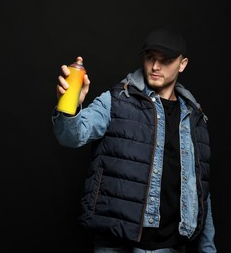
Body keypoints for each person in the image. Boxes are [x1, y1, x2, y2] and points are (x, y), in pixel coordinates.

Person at [51, 26, 217, 252]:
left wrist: (208, 247)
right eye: (150, 58)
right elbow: (72, 136)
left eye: (166, 60)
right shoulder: (116, 99)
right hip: (116, 243)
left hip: (170, 246)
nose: (155, 67)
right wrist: (69, 107)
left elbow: (199, 190)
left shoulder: (194, 117)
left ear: (182, 63)